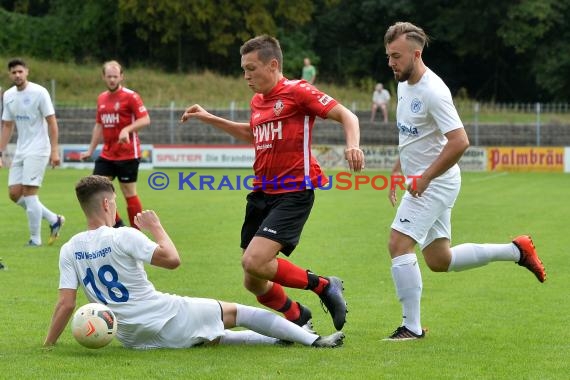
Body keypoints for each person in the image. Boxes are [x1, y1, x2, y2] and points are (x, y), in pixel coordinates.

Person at [180, 35, 364, 332]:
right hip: (262, 193)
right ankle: (298, 317)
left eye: (251, 68)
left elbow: (347, 115)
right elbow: (252, 134)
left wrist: (353, 145)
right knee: (253, 279)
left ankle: (326, 286)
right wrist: (207, 117)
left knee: (254, 261)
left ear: (273, 64)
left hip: (294, 191)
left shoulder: (298, 91)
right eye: (243, 69)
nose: (246, 76)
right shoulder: (257, 101)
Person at [43, 175, 344, 349]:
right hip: (165, 314)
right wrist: (156, 227)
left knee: (216, 336)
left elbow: (66, 305)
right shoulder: (123, 237)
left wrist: (48, 346)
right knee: (240, 312)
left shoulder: (70, 249)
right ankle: (315, 341)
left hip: (131, 336)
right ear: (108, 203)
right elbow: (173, 260)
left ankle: (282, 340)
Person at [383, 21, 546, 341]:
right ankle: (516, 251)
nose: (391, 63)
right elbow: (411, 134)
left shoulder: (434, 91)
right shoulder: (402, 84)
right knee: (439, 260)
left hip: (436, 183)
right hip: (427, 181)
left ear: (417, 54)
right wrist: (397, 167)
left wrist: (426, 178)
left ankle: (411, 328)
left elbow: (459, 141)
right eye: (388, 56)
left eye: (397, 56)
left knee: (398, 243)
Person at [0, 58, 65, 246]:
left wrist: (54, 151)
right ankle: (54, 219)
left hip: (39, 149)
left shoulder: (39, 92)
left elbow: (52, 122)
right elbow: (7, 126)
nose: (17, 75)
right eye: (13, 72)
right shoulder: (9, 95)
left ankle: (35, 240)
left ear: (27, 72)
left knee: (29, 193)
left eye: (20, 71)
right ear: (9, 74)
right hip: (21, 150)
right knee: (14, 193)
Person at [80, 60, 150, 229]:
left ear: (121, 77)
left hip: (128, 154)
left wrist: (127, 129)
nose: (112, 79)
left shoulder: (131, 96)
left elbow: (145, 119)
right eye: (109, 76)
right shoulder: (101, 98)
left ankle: (136, 232)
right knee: (96, 189)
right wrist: (90, 149)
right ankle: (118, 227)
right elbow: (99, 125)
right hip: (107, 154)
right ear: (103, 77)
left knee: (128, 192)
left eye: (115, 76)